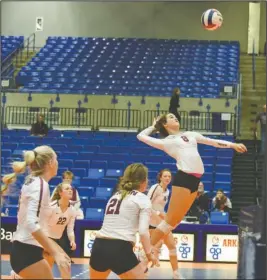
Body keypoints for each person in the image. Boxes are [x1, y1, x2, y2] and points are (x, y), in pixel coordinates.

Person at [137, 113, 247, 257]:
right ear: (164, 124)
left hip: (195, 181)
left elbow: (212, 142)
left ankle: (147, 253)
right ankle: (144, 253)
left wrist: (232, 145)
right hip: (183, 178)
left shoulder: (190, 134)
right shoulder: (166, 142)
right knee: (169, 221)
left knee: (173, 223)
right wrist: (153, 126)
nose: (175, 117)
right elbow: (140, 136)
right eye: (170, 117)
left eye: (174, 116)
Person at [2, 146, 70, 279]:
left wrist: (56, 249)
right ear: (50, 162)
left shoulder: (32, 181)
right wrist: (55, 252)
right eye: (56, 159)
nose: (57, 163)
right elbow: (31, 224)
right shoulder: (40, 184)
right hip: (26, 253)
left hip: (25, 250)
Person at [89, 163, 157, 279]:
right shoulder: (142, 199)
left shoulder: (115, 196)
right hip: (120, 247)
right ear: (144, 181)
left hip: (99, 246)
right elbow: (143, 231)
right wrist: (149, 253)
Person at [147, 169, 184, 279]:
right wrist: (159, 214)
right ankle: (141, 269)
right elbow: (146, 204)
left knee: (172, 246)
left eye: (169, 176)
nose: (167, 178)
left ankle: (176, 274)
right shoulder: (155, 188)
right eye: (165, 176)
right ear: (160, 177)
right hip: (152, 223)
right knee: (150, 248)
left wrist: (167, 216)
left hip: (161, 223)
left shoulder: (167, 191)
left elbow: (161, 208)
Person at [44, 182, 77, 279]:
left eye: (71, 188)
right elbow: (41, 225)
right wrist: (45, 243)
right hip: (45, 238)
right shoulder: (52, 206)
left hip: (56, 240)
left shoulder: (72, 210)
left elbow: (70, 229)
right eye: (67, 189)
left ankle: (17, 276)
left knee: (46, 269)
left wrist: (72, 240)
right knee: (65, 263)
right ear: (60, 193)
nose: (70, 190)